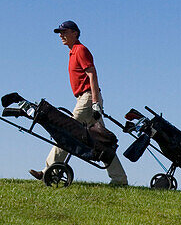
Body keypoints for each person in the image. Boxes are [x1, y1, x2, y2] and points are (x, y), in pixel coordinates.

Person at [29, 21, 127, 185]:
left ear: (75, 33)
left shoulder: (80, 50)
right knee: (101, 139)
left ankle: (48, 170)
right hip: (85, 98)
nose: (61, 35)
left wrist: (95, 103)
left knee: (66, 130)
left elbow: (92, 75)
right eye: (60, 32)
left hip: (88, 98)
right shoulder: (73, 52)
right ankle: (119, 178)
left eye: (64, 32)